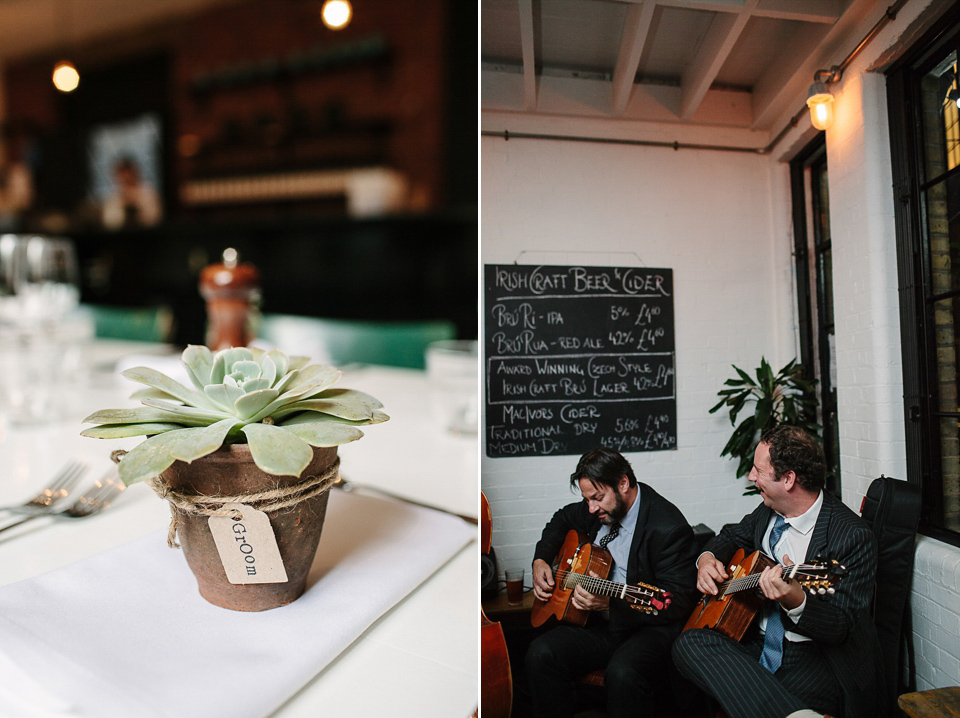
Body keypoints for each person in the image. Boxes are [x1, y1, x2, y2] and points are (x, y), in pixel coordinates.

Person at [672, 425, 885, 718]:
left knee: (745, 696)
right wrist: (707, 559)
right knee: (687, 644)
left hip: (813, 655)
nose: (751, 477)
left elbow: (840, 627)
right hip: (753, 638)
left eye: (758, 470)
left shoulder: (851, 536)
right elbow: (731, 536)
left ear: (788, 479)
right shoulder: (768, 510)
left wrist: (796, 601)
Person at [525, 447, 699, 718]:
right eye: (587, 499)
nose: (592, 508)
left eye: (598, 497)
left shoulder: (667, 527)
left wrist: (610, 604)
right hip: (601, 625)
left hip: (648, 628)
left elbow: (677, 602)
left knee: (622, 672)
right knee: (541, 652)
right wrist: (541, 560)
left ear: (623, 483)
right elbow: (561, 519)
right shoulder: (596, 511)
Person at [101, 156, 162, 229]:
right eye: (122, 174)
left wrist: (137, 205)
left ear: (134, 172)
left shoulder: (148, 192)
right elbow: (109, 221)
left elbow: (155, 217)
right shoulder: (114, 197)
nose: (125, 177)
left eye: (127, 172)